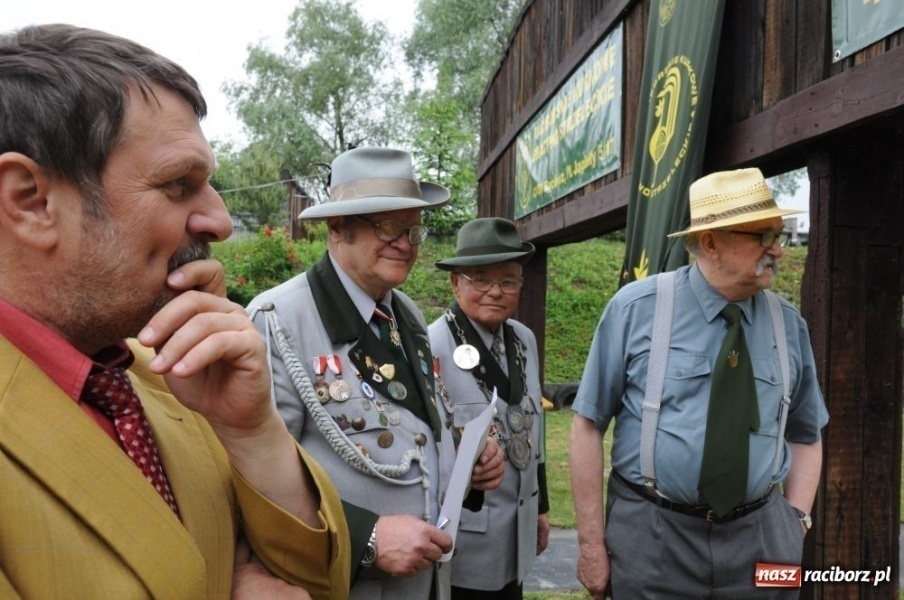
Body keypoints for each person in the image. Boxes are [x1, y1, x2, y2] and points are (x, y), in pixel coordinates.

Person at [0, 24, 349, 600]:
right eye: (178, 184)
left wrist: (251, 431)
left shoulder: (166, 376)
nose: (220, 222)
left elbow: (317, 576)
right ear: (30, 201)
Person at [247, 146, 505, 599]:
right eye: (387, 226)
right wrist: (365, 537)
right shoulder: (279, 319)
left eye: (413, 229)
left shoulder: (405, 312)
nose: (405, 243)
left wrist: (468, 469)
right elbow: (255, 478)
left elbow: (414, 434)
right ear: (336, 228)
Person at [570, 167, 829, 599]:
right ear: (710, 242)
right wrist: (591, 546)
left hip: (764, 539)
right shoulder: (636, 309)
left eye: (778, 235)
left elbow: (807, 432)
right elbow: (586, 425)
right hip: (653, 538)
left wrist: (796, 521)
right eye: (762, 236)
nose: (778, 250)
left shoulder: (788, 324)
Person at [428, 218, 550, 599]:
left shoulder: (524, 340)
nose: (495, 292)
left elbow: (533, 432)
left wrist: (540, 507)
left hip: (517, 537)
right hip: (466, 546)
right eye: (481, 279)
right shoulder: (431, 346)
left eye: (508, 281)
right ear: (456, 283)